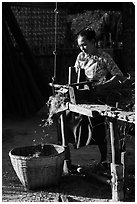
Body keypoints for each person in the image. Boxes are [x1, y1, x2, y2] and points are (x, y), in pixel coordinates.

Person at [66, 28, 124, 169]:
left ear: (93, 42)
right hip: (82, 94)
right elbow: (75, 75)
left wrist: (103, 86)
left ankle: (104, 160)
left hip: (98, 96)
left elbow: (119, 76)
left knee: (97, 126)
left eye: (84, 44)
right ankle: (68, 160)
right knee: (68, 117)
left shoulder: (104, 57)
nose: (82, 48)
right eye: (80, 45)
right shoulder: (80, 57)